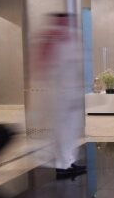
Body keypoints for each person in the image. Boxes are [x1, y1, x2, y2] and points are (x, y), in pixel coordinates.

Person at [31, 13, 85, 177]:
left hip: (71, 90)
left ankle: (69, 160)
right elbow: (43, 65)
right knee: (62, 129)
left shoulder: (70, 38)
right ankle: (62, 165)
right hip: (58, 92)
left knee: (71, 128)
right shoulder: (51, 37)